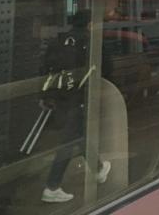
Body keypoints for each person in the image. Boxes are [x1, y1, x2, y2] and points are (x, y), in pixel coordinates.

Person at [40, 11, 112, 203]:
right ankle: (52, 186)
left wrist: (46, 96)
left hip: (61, 97)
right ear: (89, 24)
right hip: (80, 97)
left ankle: (97, 170)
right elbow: (107, 69)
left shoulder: (59, 41)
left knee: (78, 135)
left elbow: (46, 69)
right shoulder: (91, 42)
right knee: (69, 140)